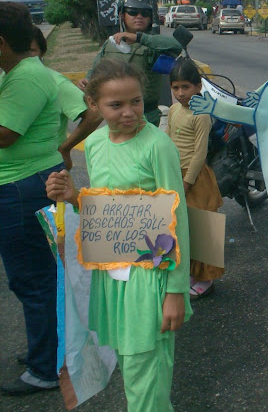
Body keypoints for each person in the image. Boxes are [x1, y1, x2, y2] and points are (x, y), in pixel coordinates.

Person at [46, 59, 191, 411]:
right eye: (116, 105)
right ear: (93, 106)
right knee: (131, 371)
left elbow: (178, 220)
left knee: (147, 379)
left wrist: (174, 292)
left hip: (150, 278)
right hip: (112, 279)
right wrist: (74, 198)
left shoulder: (157, 146)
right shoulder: (94, 144)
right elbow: (108, 211)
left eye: (136, 101)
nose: (129, 112)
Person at [0, 3, 64, 396]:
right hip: (27, 183)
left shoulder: (25, 78)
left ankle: (45, 368)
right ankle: (47, 352)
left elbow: (5, 133)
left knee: (33, 280)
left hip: (23, 188)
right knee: (36, 278)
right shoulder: (19, 73)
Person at [80, 0, 183, 126]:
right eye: (133, 12)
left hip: (147, 115)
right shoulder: (111, 43)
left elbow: (176, 46)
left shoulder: (154, 43)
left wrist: (139, 38)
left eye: (144, 13)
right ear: (122, 15)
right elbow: (96, 69)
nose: (139, 17)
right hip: (116, 115)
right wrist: (87, 80)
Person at [168, 58, 224, 300]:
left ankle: (206, 279)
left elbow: (200, 153)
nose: (180, 93)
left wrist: (187, 183)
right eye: (175, 87)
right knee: (183, 229)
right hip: (175, 175)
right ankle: (191, 273)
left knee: (202, 228)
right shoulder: (172, 110)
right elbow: (168, 142)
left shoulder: (201, 115)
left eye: (186, 87)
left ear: (199, 86)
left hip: (195, 178)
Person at [29, 27, 102, 170]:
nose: (25, 57)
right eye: (20, 51)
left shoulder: (54, 81)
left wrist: (65, 148)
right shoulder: (5, 79)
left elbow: (95, 114)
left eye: (31, 51)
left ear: (42, 53)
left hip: (44, 169)